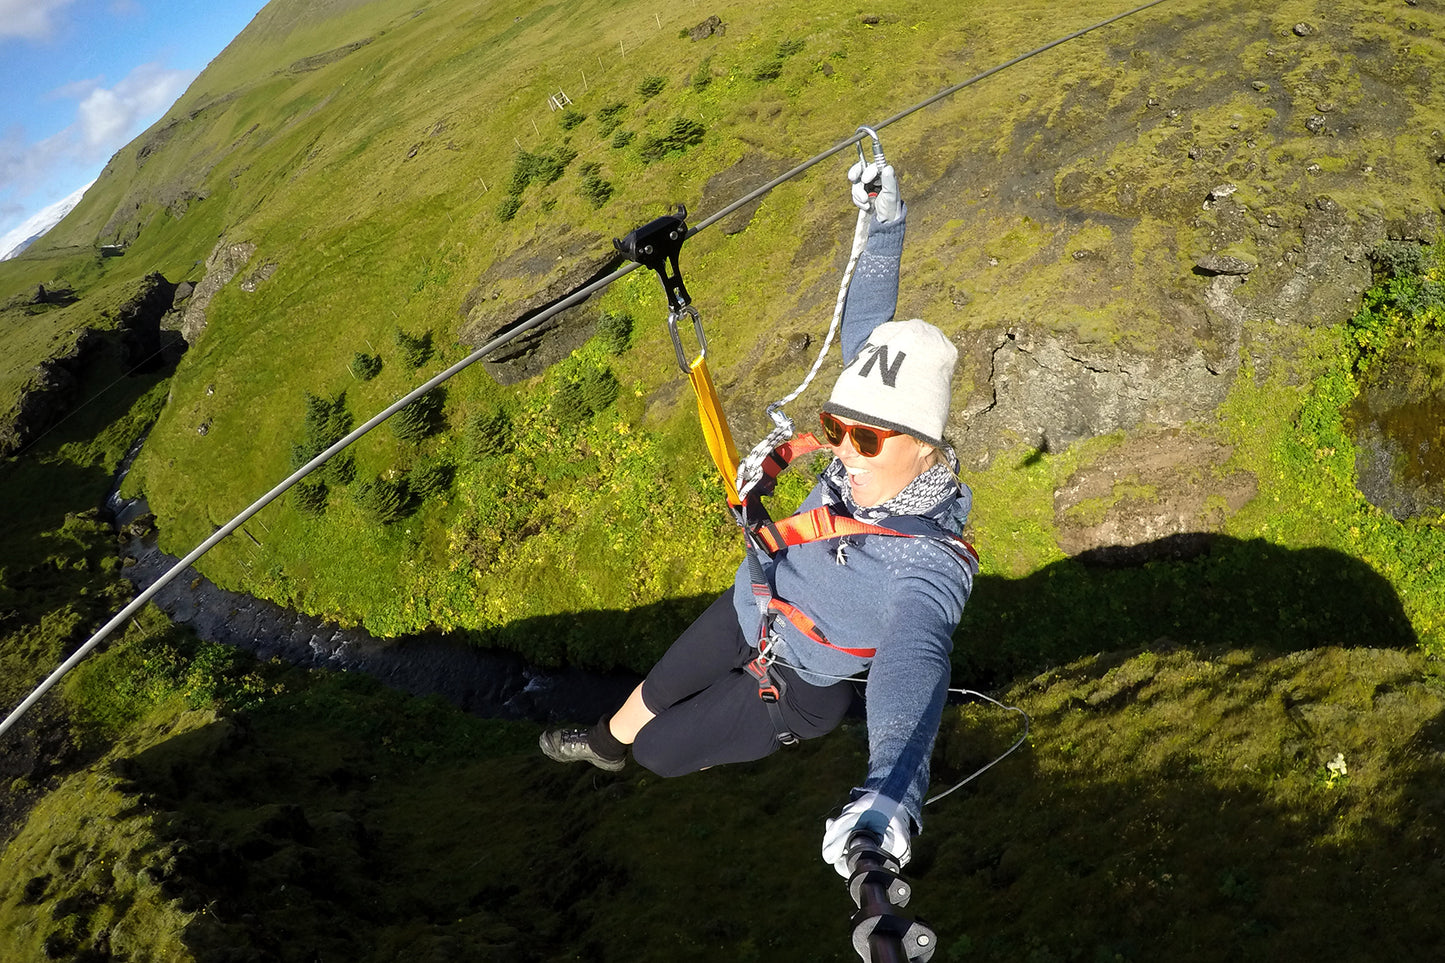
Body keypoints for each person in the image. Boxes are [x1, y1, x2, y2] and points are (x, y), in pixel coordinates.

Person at [539, 158, 976, 877]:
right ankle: (602, 742)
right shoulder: (862, 453)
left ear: (925, 446)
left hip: (797, 690)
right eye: (835, 429)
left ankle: (641, 746)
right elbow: (866, 324)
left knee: (661, 748)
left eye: (865, 440)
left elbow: (912, 670)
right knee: (636, 709)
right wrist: (883, 219)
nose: (842, 452)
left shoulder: (929, 566)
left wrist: (891, 792)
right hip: (753, 603)